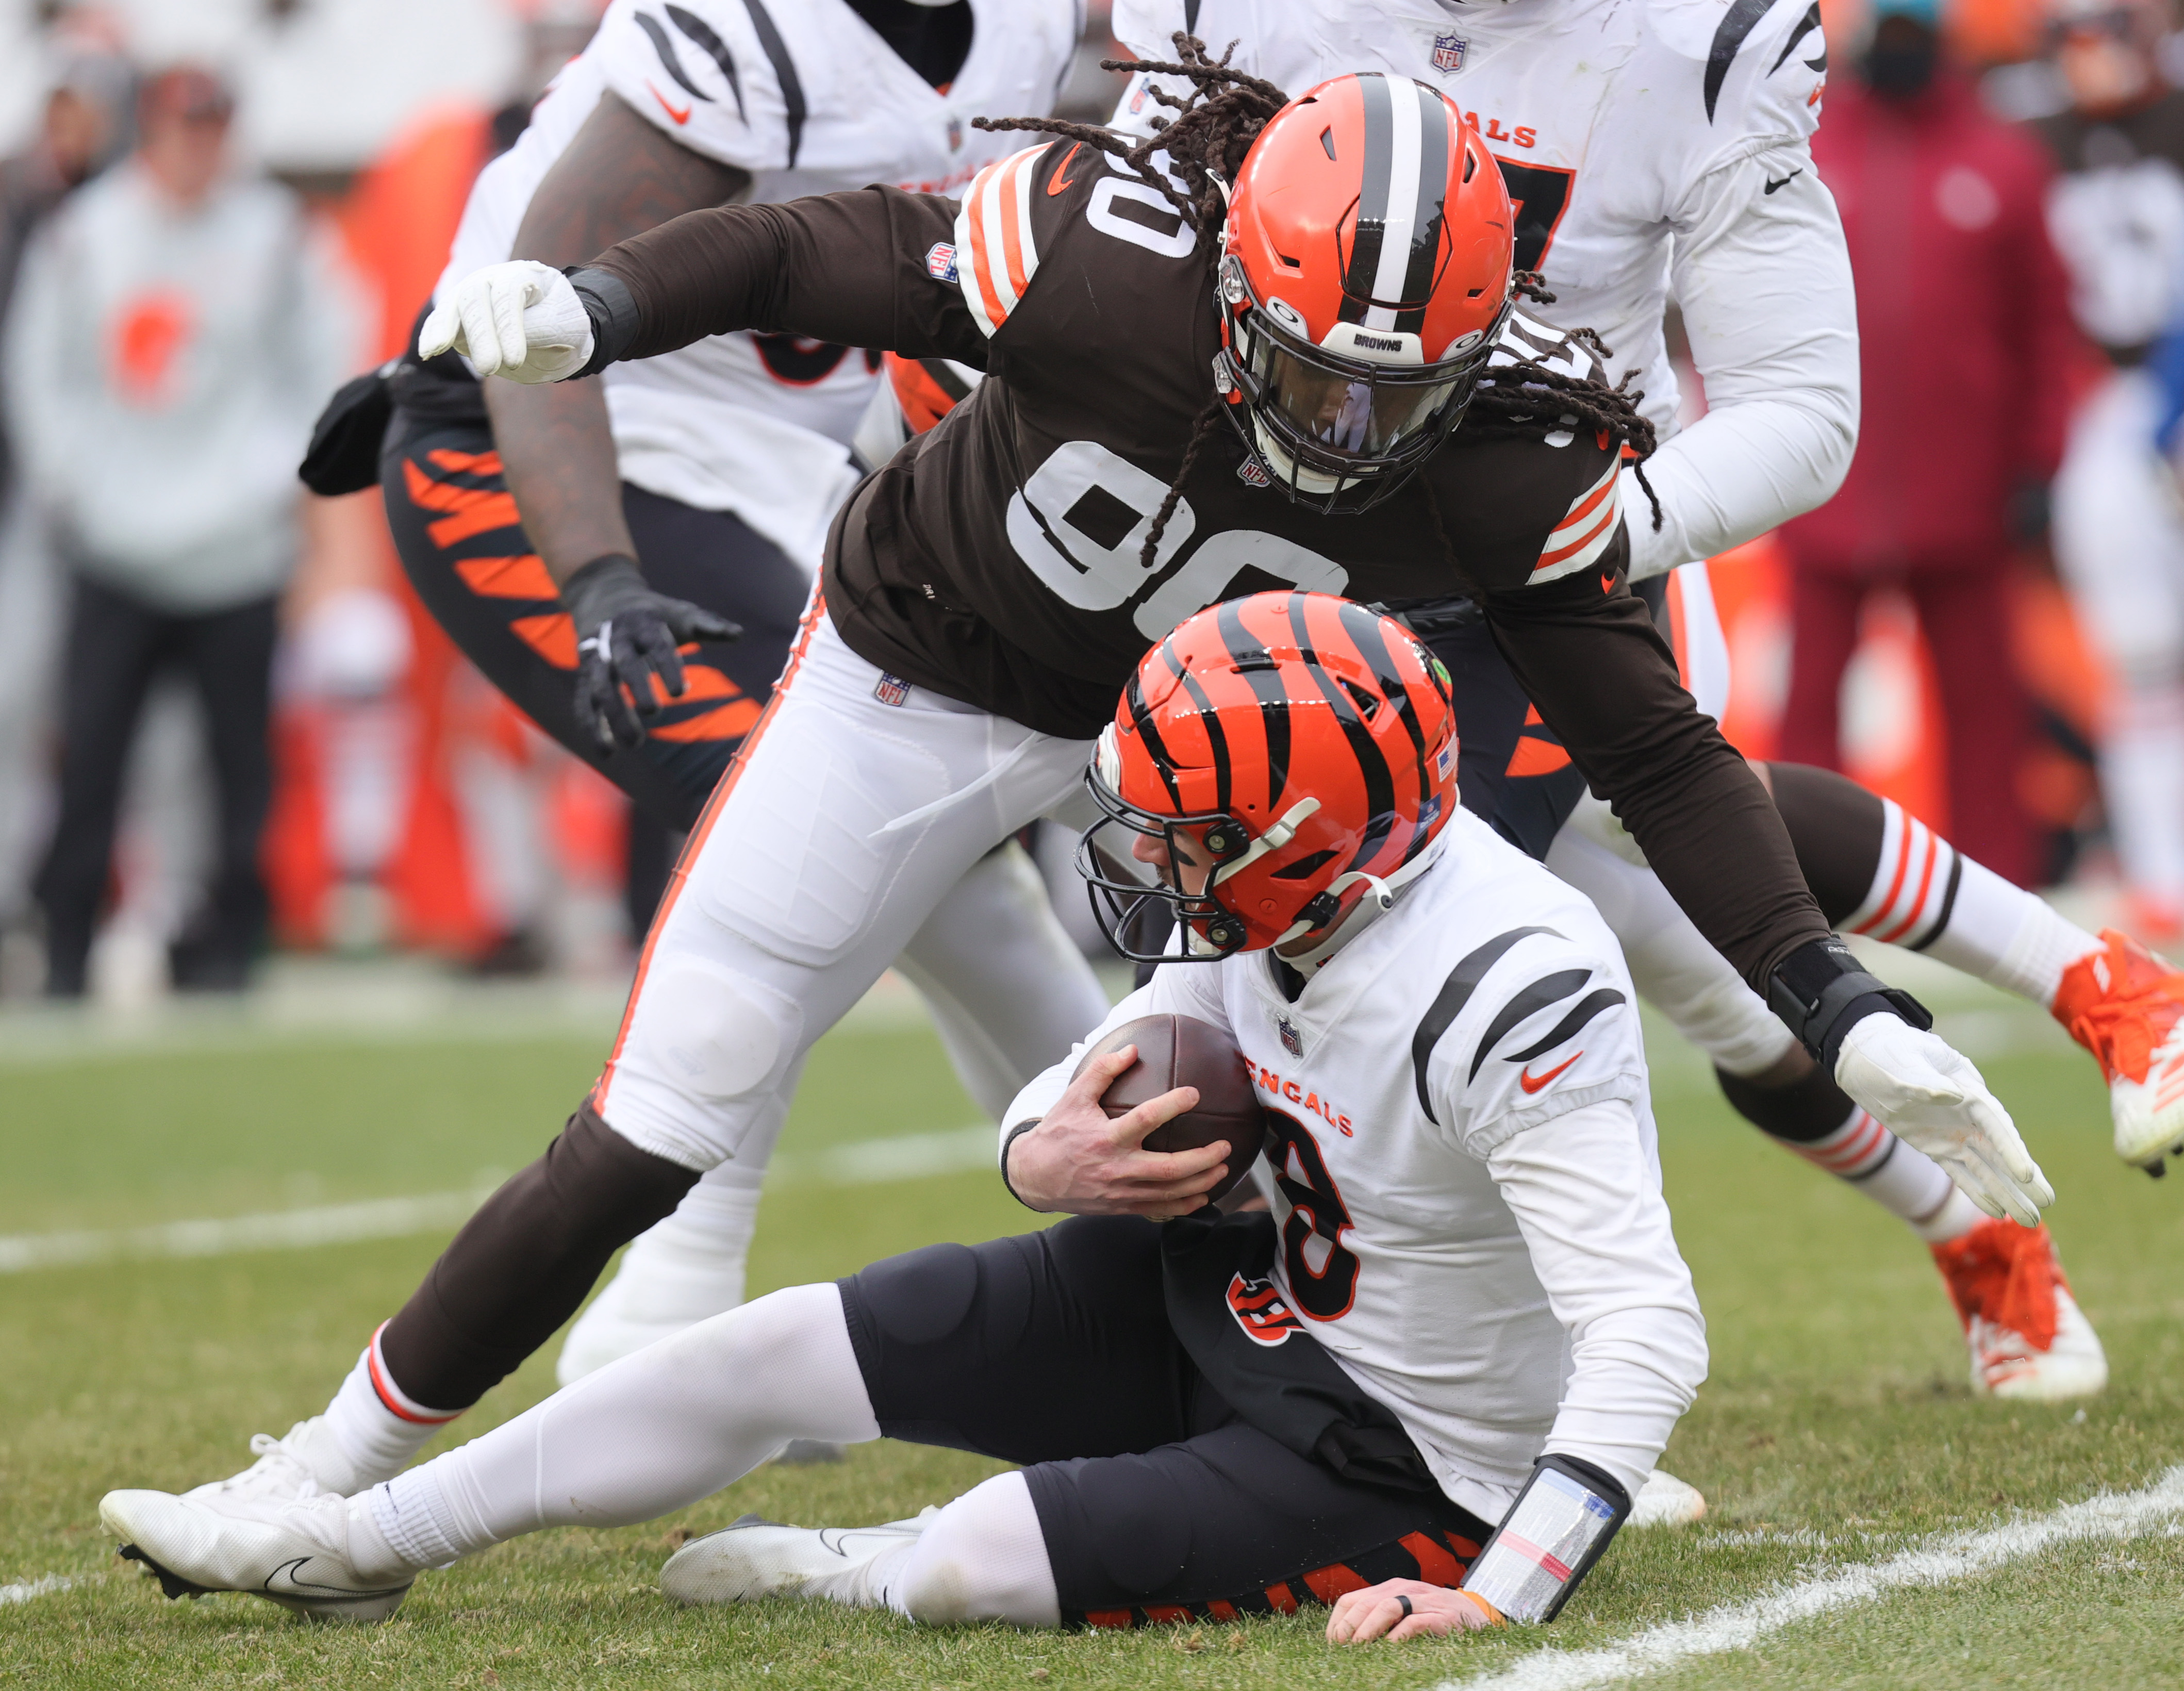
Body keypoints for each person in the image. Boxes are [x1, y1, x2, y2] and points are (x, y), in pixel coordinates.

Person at [148, 61, 2040, 1527]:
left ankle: (1423, 1427)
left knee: (1306, 1087)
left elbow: (1656, 749)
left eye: (1403, 396)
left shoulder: (1504, 442)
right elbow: (822, 248)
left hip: (1184, 751)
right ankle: (318, 1469)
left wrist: (1835, 1002)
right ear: (1242, 280)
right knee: (666, 1104)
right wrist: (596, 302)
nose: (1349, 433)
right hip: (927, 667)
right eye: (1319, 377)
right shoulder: (1107, 248)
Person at [100, 591, 1709, 1637]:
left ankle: (857, 1562)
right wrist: (1041, 1152)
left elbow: (1645, 1330)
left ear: (1305, 839)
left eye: (1190, 836)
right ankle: (357, 1538)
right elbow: (1136, 1042)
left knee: (968, 1567)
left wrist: (1500, 1596)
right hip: (1225, 1290)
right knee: (766, 1348)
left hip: (1404, 1450)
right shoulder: (1293, 880)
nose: (1149, 863)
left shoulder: (1507, 987)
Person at [351, 0, 1103, 1380]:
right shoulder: (749, 28)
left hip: (770, 470)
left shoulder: (1027, 24)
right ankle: (674, 1290)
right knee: (781, 804)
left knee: (951, 844)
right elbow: (542, 294)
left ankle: (1149, 1229)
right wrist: (596, 585)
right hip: (544, 439)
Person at [6, 65, 356, 995]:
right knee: (92, 758)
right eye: (182, 129)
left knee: (239, 765)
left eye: (213, 129)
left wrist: (275, 477)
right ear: (151, 133)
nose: (197, 148)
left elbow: (326, 358)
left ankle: (228, 949)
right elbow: (41, 374)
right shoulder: (87, 235)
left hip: (236, 548)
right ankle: (68, 944)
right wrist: (75, 487)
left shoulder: (276, 234)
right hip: (116, 545)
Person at [1771, 0, 2073, 889]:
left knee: (1985, 706)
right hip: (1829, 479)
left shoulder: (2003, 161)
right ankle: (1798, 885)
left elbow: (2047, 333)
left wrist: (2039, 462)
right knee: (1812, 704)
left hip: (1966, 484)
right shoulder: (1812, 153)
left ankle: (1996, 887)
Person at [2038, 0, 2184, 936]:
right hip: (2105, 411)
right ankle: (2160, 871)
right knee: (2140, 660)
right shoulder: (2029, 139)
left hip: (2154, 398)